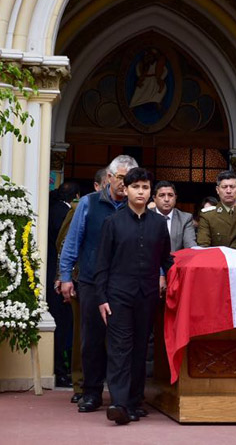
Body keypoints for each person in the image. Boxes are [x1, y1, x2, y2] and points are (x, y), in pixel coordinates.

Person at [94, 168, 173, 425]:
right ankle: (118, 402)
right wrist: (101, 298)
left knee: (141, 349)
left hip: (147, 296)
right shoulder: (113, 223)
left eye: (145, 187)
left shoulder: (159, 224)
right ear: (125, 190)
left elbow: (166, 261)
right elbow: (102, 263)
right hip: (117, 296)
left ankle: (134, 401)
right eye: (136, 187)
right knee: (120, 349)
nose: (141, 192)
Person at [59, 155, 138, 413]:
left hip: (125, 284)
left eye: (130, 180)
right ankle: (91, 393)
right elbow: (72, 242)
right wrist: (66, 277)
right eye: (120, 179)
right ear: (109, 178)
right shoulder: (88, 204)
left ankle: (120, 397)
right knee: (91, 340)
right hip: (92, 281)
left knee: (122, 343)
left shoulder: (136, 207)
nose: (124, 185)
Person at [55, 167, 107, 404]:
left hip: (109, 281)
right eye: (108, 182)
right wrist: (63, 276)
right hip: (81, 279)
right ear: (97, 186)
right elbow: (65, 243)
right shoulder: (81, 207)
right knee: (82, 336)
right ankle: (80, 384)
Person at [48, 181, 79, 388]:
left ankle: (63, 370)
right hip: (65, 278)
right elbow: (65, 245)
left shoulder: (51, 209)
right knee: (66, 326)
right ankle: (62, 371)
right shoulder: (69, 213)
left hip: (56, 275)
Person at [197, 170, 236, 248]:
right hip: (218, 258)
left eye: (232, 187)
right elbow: (203, 246)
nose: (228, 191)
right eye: (224, 187)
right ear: (217, 190)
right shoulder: (208, 216)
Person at [152, 181, 196, 251]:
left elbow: (190, 247)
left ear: (175, 197)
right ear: (154, 198)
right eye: (162, 195)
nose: (166, 199)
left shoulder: (185, 219)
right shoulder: (145, 216)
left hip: (176, 260)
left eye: (170, 195)